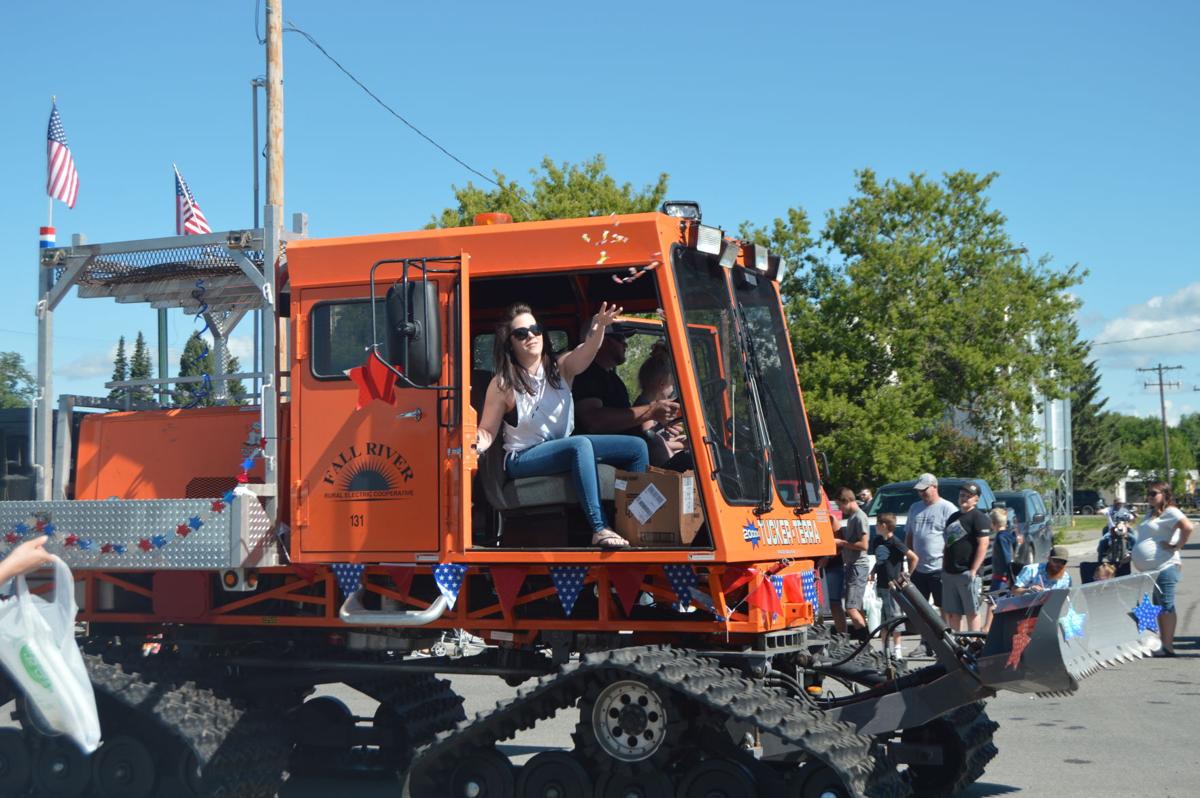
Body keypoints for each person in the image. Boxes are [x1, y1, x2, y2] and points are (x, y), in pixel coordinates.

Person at [476, 302, 649, 548]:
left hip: (557, 448)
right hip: (522, 458)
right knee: (579, 445)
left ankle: (637, 526)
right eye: (521, 333)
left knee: (637, 447)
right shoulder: (503, 383)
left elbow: (587, 351)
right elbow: (486, 430)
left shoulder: (561, 368)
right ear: (510, 343)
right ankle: (599, 528)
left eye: (535, 329)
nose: (531, 336)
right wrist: (475, 443)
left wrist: (599, 328)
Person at [573, 328, 679, 437]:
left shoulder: (614, 380)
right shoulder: (586, 374)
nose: (626, 345)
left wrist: (661, 429)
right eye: (620, 339)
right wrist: (650, 411)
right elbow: (594, 422)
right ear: (603, 341)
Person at [1133, 481, 1194, 657]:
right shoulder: (1149, 513)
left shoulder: (1171, 512)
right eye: (1149, 494)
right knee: (1157, 605)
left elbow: (1188, 526)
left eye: (1154, 494)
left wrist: (1177, 545)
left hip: (1165, 565)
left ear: (1165, 495)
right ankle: (1161, 642)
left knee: (1166, 604)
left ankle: (1168, 645)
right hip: (1149, 569)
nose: (1150, 497)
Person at [941, 482, 991, 632]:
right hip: (950, 572)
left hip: (967, 572)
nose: (964, 499)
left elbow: (983, 544)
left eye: (968, 497)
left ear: (976, 500)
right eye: (962, 495)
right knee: (953, 613)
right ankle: (958, 645)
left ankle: (974, 642)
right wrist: (944, 567)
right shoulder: (953, 517)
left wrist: (974, 570)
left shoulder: (979, 518)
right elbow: (948, 544)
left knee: (972, 612)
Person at [904, 473, 956, 617]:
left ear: (934, 487)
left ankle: (947, 636)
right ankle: (926, 638)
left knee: (944, 606)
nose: (921, 493)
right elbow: (909, 535)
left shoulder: (947, 508)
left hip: (939, 567)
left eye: (924, 490)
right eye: (919, 490)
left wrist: (948, 562)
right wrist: (910, 562)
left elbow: (955, 539)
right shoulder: (915, 508)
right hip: (918, 568)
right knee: (920, 608)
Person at [870, 512, 918, 660]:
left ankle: (897, 649)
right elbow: (880, 561)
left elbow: (914, 557)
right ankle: (886, 649)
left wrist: (907, 574)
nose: (876, 527)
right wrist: (873, 572)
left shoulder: (895, 542)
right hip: (881, 584)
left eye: (878, 524)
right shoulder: (878, 540)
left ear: (884, 526)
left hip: (893, 585)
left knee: (895, 618)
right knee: (883, 619)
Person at [632, 344, 688, 467]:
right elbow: (651, 440)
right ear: (662, 384)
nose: (673, 389)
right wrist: (683, 445)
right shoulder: (646, 408)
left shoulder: (647, 404)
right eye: (672, 384)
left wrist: (675, 440)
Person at [833, 488, 871, 638]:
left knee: (851, 608)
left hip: (858, 566)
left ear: (846, 501)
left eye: (840, 505)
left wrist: (841, 542)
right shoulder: (852, 518)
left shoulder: (860, 517)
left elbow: (864, 545)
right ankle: (865, 644)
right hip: (852, 565)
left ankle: (864, 642)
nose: (840, 509)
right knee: (857, 607)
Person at [988, 507, 1019, 593]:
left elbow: (1007, 558)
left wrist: (1009, 577)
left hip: (1001, 578)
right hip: (1006, 577)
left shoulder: (1000, 538)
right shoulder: (1009, 536)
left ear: (993, 523)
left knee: (993, 602)